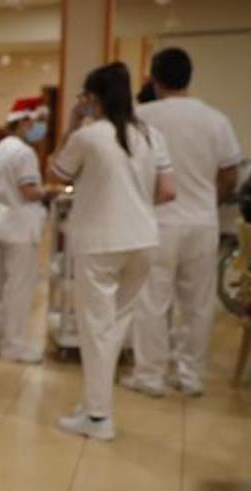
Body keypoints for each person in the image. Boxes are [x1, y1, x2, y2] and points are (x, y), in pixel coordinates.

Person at [49, 62, 176, 441]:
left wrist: (71, 123)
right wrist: (135, 202)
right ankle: (94, 405)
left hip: (101, 242)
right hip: (144, 239)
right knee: (114, 326)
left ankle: (99, 416)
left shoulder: (89, 136)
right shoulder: (151, 135)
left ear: (93, 98)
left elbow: (57, 171)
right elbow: (168, 191)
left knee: (96, 329)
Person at [121, 47, 243, 398]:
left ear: (154, 79)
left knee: (152, 301)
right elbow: (230, 173)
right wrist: (210, 200)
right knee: (198, 303)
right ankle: (190, 375)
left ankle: (150, 375)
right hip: (202, 222)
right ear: (189, 77)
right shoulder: (214, 119)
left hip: (156, 221)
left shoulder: (140, 116)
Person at [0, 97, 50, 364]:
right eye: (34, 122)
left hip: (0, 222)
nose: (36, 128)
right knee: (19, 289)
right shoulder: (24, 153)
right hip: (20, 227)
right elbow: (28, 190)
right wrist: (50, 192)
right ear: (24, 121)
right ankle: (14, 346)